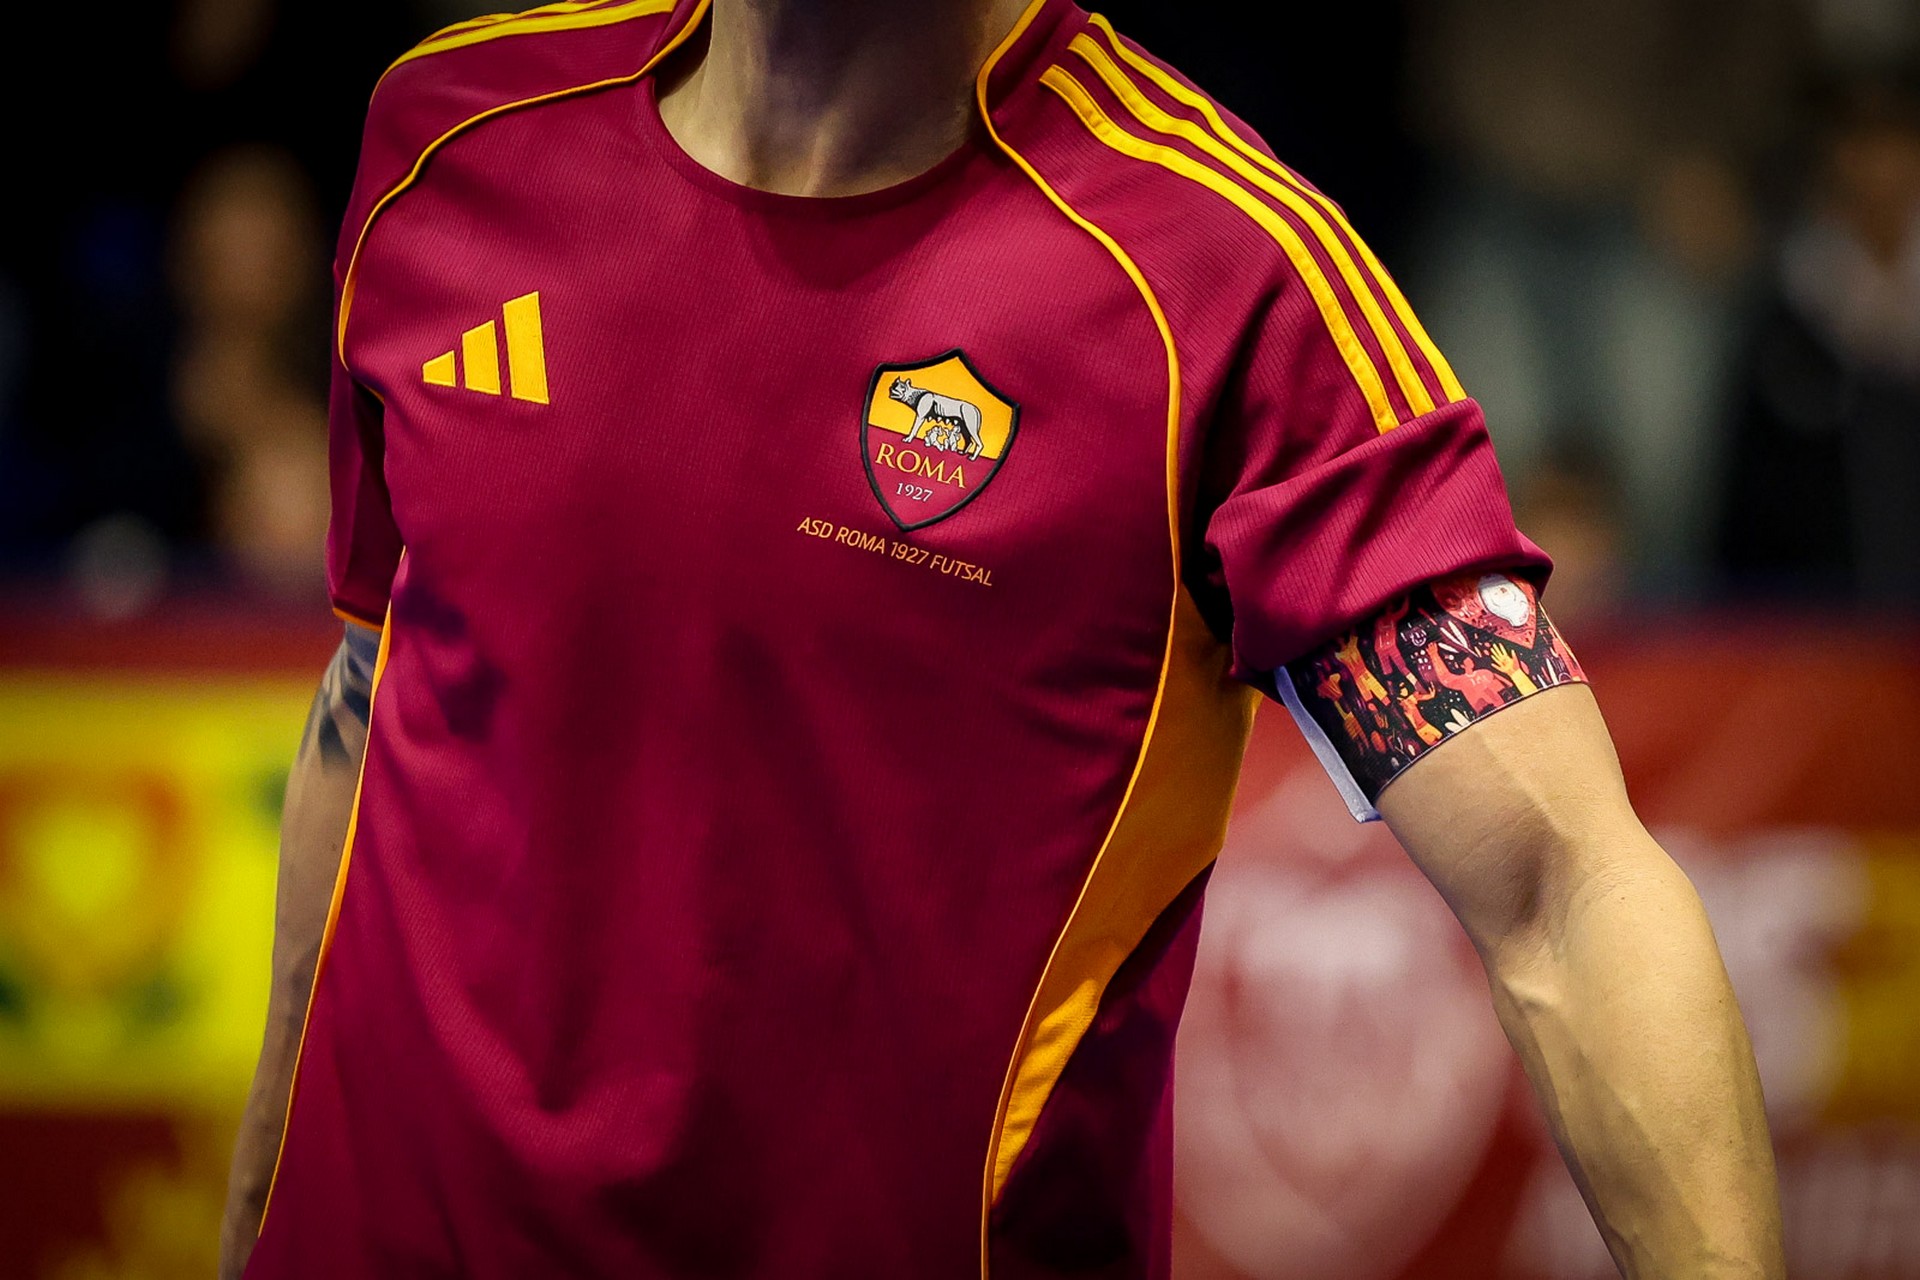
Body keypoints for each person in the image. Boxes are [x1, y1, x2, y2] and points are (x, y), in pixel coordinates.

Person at [218, 1, 1784, 1276]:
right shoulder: (451, 135)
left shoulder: (1225, 282)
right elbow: (369, 704)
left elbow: (1565, 890)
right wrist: (253, 1221)